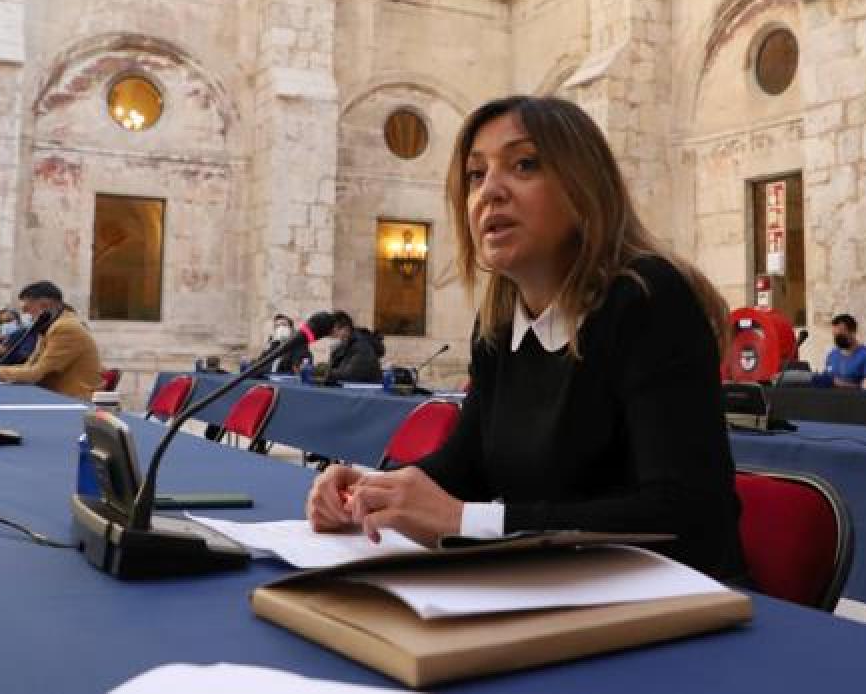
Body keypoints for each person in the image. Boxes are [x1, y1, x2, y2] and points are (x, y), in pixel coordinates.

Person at [306, 95, 746, 581]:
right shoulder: (496, 325)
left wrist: (466, 521)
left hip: (675, 612)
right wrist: (372, 492)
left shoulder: (649, 298)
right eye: (476, 175)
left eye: (524, 165)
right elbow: (466, 464)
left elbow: (688, 517)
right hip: (554, 592)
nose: (490, 191)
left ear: (584, 188)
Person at [0, 281, 103, 401]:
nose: (26, 315)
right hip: (55, 397)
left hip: (75, 401)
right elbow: (29, 367)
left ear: (45, 306)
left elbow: (35, 374)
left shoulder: (65, 328)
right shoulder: (48, 326)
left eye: (27, 310)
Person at [823, 314, 866, 388]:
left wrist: (843, 384)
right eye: (835, 335)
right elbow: (827, 377)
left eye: (841, 335)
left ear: (853, 332)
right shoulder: (832, 355)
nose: (837, 339)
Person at [327, 311, 385, 383]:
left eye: (333, 330)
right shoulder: (343, 346)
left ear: (346, 328)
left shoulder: (362, 346)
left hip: (366, 391)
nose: (330, 333)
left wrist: (326, 372)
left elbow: (350, 374)